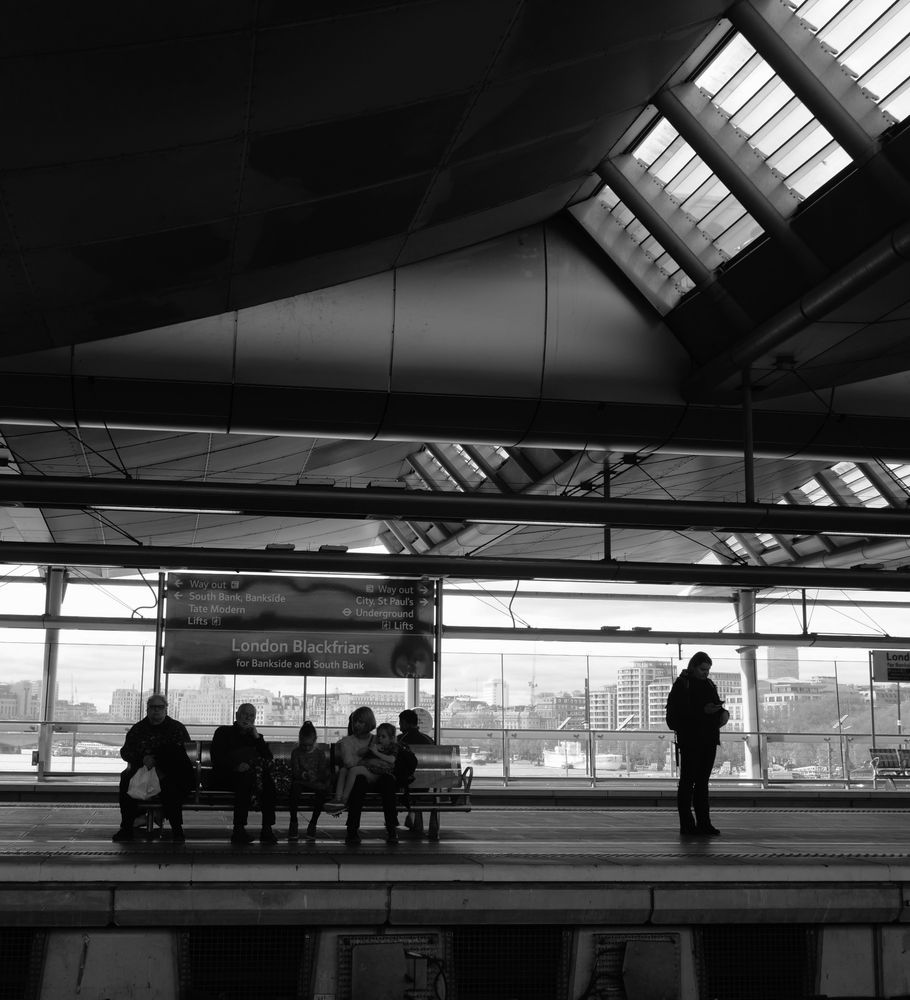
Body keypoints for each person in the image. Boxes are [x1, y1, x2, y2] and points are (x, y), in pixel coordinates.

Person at [112, 694, 193, 843]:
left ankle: (177, 829)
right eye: (153, 707)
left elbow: (182, 755)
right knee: (126, 780)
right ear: (147, 709)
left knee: (171, 785)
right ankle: (126, 828)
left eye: (160, 707)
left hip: (169, 771)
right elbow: (126, 752)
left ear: (166, 709)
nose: (156, 710)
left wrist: (157, 762)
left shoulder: (176, 728)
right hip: (142, 769)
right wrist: (142, 759)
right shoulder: (138, 729)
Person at [665, 651, 727, 836]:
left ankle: (701, 824)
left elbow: (712, 707)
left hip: (706, 739)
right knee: (690, 782)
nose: (705, 673)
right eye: (702, 669)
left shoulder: (706, 684)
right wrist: (704, 711)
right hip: (692, 740)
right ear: (693, 667)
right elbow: (678, 715)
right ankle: (690, 825)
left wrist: (722, 713)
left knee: (700, 783)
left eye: (707, 670)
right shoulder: (682, 685)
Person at [211, 703, 278, 845]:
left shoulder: (255, 737)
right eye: (244, 714)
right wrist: (236, 767)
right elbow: (217, 757)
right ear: (237, 715)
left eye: (251, 715)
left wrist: (256, 736)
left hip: (252, 777)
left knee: (267, 781)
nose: (248, 718)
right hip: (227, 775)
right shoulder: (223, 732)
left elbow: (268, 758)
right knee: (245, 778)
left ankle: (267, 828)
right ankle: (239, 829)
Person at [332, 706, 399, 845]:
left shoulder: (378, 739)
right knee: (359, 781)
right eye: (355, 721)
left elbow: (388, 759)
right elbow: (349, 763)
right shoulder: (347, 741)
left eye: (361, 722)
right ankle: (352, 829)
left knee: (388, 781)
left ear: (368, 723)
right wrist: (370, 761)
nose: (357, 725)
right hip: (361, 778)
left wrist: (370, 760)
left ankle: (392, 827)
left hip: (379, 777)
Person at [398, 708, 439, 840]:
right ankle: (414, 817)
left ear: (405, 723)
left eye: (400, 722)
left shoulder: (400, 740)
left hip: (405, 785)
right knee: (417, 785)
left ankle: (410, 817)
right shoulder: (429, 740)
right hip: (425, 785)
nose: (399, 726)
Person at [288, 721, 331, 840]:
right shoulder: (296, 752)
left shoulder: (320, 754)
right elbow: (295, 772)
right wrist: (304, 774)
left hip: (315, 782)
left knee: (321, 793)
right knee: (294, 790)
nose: (306, 748)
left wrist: (315, 776)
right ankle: (293, 821)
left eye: (309, 745)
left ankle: (313, 823)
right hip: (301, 781)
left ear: (314, 741)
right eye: (304, 745)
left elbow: (322, 771)